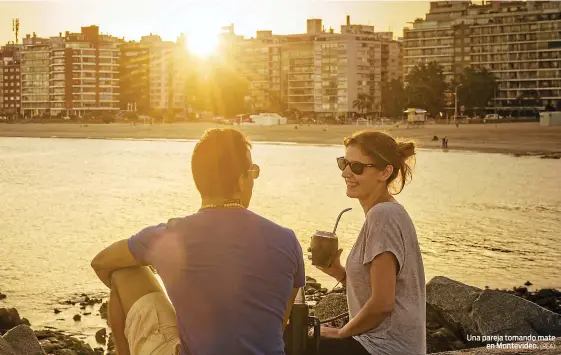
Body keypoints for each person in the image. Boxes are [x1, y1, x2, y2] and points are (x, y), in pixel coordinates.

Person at [91, 128, 305, 355]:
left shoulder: (169, 236)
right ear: (242, 180)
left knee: (123, 271)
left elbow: (102, 262)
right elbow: (280, 322)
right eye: (253, 172)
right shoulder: (287, 240)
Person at [312, 130, 426, 355]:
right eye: (344, 163)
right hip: (384, 345)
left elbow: (383, 304)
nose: (345, 173)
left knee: (285, 340)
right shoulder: (389, 213)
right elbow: (380, 289)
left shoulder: (383, 216)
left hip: (382, 348)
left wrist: (340, 333)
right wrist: (339, 273)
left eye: (357, 167)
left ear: (385, 172)